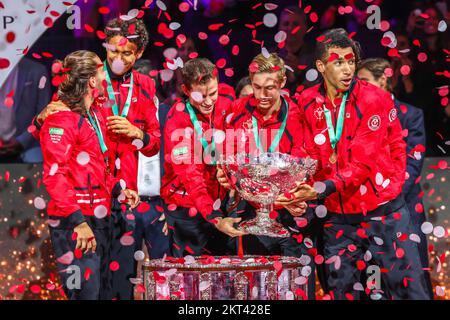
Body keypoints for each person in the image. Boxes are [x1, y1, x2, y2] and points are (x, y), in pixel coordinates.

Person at [279, 28, 430, 300]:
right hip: (338, 215)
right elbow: (302, 153)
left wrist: (319, 189)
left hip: (382, 210)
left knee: (408, 290)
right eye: (339, 62)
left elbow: (363, 163)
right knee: (342, 291)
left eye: (351, 62)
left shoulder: (374, 99)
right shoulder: (306, 101)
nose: (348, 69)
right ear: (321, 66)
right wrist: (297, 189)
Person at [35, 17, 164, 300]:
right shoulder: (81, 89)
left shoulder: (144, 87)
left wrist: (136, 133)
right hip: (80, 211)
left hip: (118, 198)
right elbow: (53, 155)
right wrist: (42, 118)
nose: (117, 59)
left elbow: (153, 145)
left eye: (126, 53)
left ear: (139, 53)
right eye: (113, 51)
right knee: (86, 291)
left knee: (114, 289)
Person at [215, 52, 317, 299]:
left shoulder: (298, 115)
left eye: (270, 88)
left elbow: (308, 165)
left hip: (289, 216)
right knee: (252, 294)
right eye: (257, 87)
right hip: (249, 216)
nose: (262, 95)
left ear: (282, 83)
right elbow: (230, 165)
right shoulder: (236, 111)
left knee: (293, 289)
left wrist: (293, 198)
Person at [39, 50, 139, 300]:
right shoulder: (61, 119)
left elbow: (96, 168)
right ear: (93, 81)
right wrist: (78, 223)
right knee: (85, 296)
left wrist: (118, 189)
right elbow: (54, 176)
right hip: (76, 225)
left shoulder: (92, 114)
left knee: (102, 294)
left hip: (98, 221)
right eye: (102, 71)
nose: (106, 75)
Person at [357, 57, 433, 298]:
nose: (359, 87)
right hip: (367, 211)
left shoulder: (410, 115)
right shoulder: (357, 116)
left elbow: (413, 162)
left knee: (411, 278)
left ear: (384, 80)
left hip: (404, 208)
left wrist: (388, 196)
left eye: (365, 81)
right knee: (373, 277)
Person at [161, 57, 235, 257]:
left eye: (213, 93)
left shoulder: (226, 104)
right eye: (201, 96)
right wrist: (214, 216)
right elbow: (190, 176)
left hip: (218, 206)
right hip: (187, 212)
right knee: (191, 282)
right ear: (186, 90)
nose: (209, 101)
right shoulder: (177, 120)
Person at [0, 58, 51, 163]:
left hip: (30, 143)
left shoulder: (37, 71)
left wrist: (22, 141)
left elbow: (44, 114)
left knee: (37, 163)